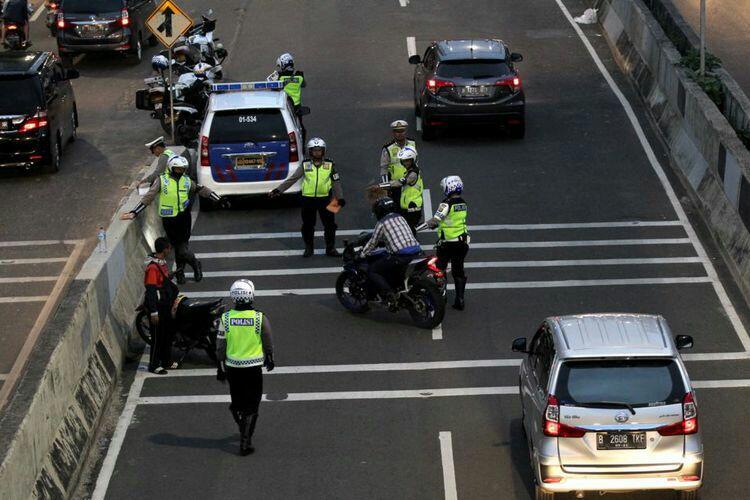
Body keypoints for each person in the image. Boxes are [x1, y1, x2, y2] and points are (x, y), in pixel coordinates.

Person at [121, 156, 229, 284]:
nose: (180, 171)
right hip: (168, 220)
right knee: (177, 247)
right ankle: (182, 272)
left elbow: (201, 189)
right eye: (178, 169)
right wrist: (134, 212)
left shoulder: (186, 180)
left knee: (182, 248)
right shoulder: (162, 180)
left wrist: (219, 199)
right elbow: (149, 196)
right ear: (171, 168)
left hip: (183, 219)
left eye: (183, 169)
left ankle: (193, 265)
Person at [216, 279, 275, 456]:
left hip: (233, 368)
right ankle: (245, 439)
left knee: (237, 403)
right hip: (253, 368)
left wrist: (220, 366)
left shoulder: (225, 318)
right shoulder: (259, 317)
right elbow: (267, 339)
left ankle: (243, 427)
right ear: (251, 296)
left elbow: (220, 345)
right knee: (253, 404)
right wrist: (270, 357)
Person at [269, 137, 345, 257]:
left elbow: (336, 182)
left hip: (326, 199)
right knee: (308, 225)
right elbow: (293, 178)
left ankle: (330, 248)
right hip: (307, 200)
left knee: (330, 225)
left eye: (319, 150)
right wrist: (279, 190)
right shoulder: (305, 165)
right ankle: (309, 248)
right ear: (310, 152)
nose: (317, 153)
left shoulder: (330, 164)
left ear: (324, 151)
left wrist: (340, 197)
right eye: (314, 150)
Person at [418, 175, 469, 310]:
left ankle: (441, 296)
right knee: (458, 270)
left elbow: (435, 221)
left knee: (440, 268)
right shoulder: (462, 203)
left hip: (447, 243)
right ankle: (460, 300)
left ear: (449, 188)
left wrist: (416, 229)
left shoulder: (446, 204)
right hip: (462, 242)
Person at [360, 197, 422, 308]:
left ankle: (390, 293)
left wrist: (362, 254)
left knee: (373, 270)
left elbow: (372, 243)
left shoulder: (381, 223)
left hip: (401, 256)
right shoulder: (401, 218)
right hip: (417, 251)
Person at [143, 237, 179, 374]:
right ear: (165, 249)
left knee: (167, 334)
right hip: (158, 307)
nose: (170, 250)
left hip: (165, 305)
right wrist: (153, 312)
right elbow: (151, 290)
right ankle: (154, 365)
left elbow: (161, 280)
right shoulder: (153, 268)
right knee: (157, 337)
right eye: (169, 248)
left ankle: (166, 360)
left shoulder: (161, 263)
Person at [379, 120, 417, 206]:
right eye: (397, 131)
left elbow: (416, 162)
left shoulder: (412, 143)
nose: (400, 134)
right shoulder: (388, 148)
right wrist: (385, 186)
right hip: (395, 186)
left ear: (405, 131)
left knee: (412, 209)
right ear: (393, 133)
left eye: (402, 131)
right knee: (397, 209)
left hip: (411, 184)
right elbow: (384, 168)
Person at [386, 147, 423, 233]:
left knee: (408, 232)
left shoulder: (413, 174)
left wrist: (381, 186)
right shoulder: (410, 171)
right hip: (409, 207)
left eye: (407, 160)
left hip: (412, 207)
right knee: (407, 231)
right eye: (403, 160)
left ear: (412, 160)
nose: (404, 163)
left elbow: (399, 183)